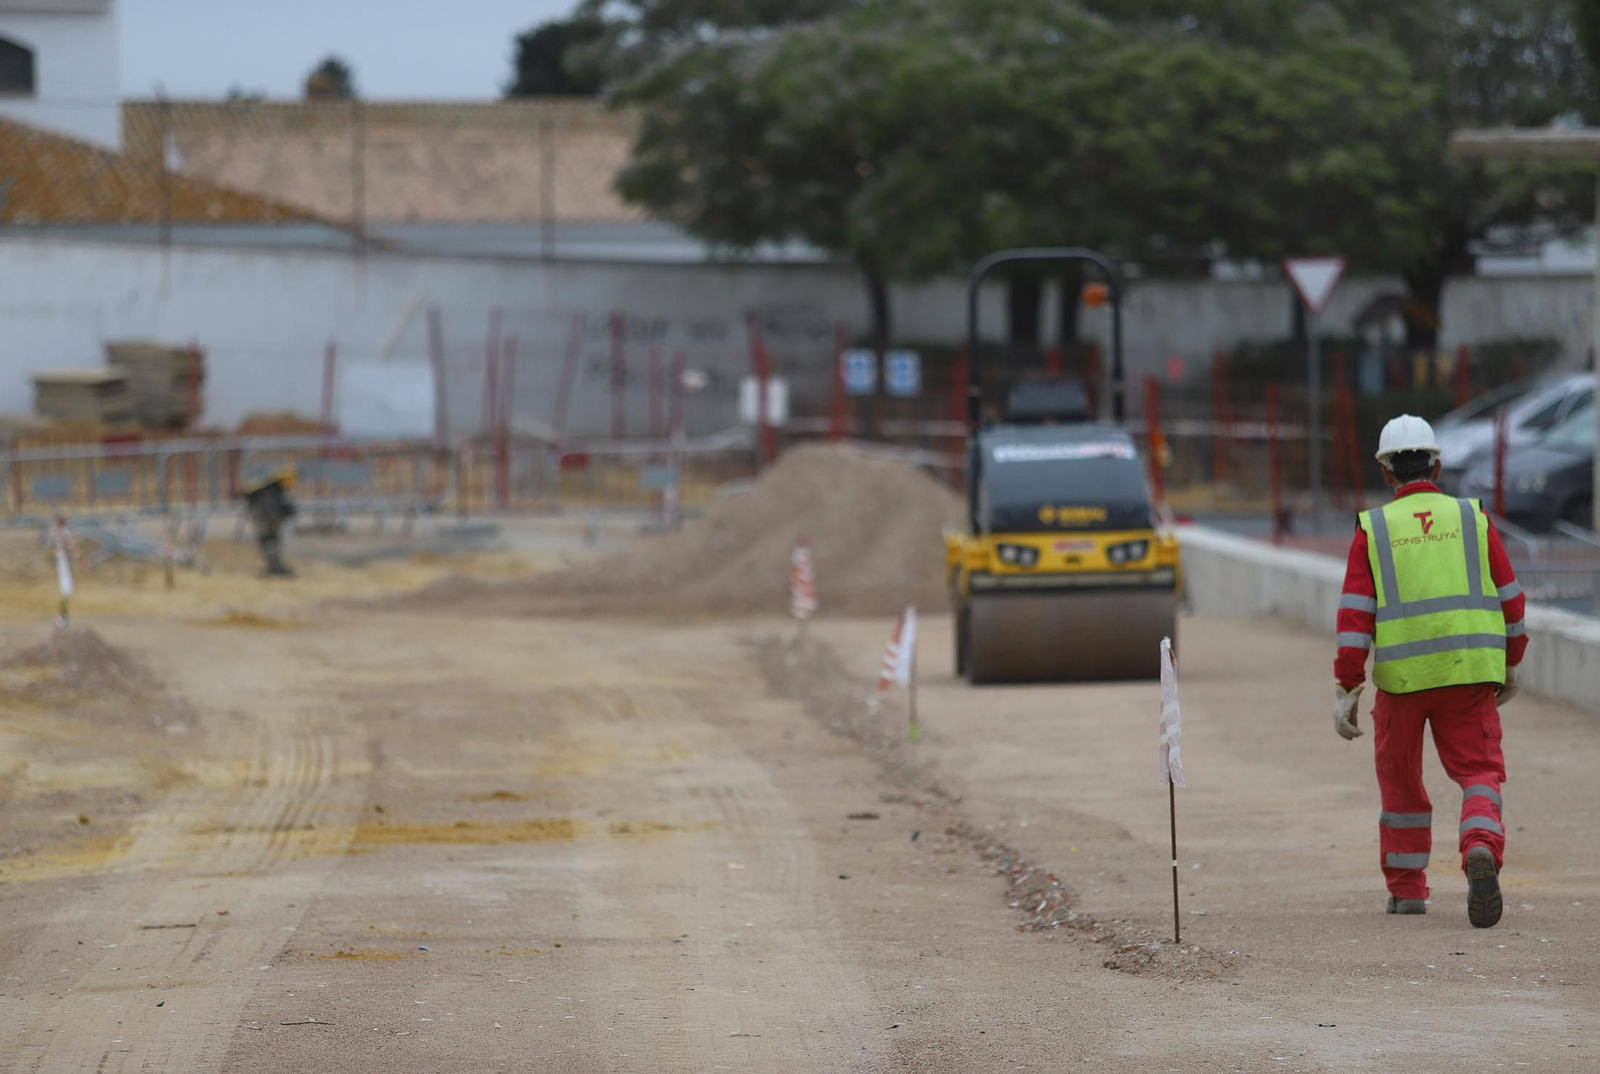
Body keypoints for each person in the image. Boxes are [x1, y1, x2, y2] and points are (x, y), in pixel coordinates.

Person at [1332, 415, 1526, 928]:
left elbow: (1354, 618)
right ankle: (1479, 843)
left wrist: (1348, 685)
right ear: (1436, 466)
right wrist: (1511, 660)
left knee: (1400, 781)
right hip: (1468, 673)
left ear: (1386, 472)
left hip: (1401, 683)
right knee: (1479, 772)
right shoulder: (1472, 518)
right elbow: (1512, 599)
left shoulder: (1374, 528)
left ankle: (1407, 891)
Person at [242, 468, 298, 577]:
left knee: (270, 543)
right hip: (266, 523)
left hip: (265, 522)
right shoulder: (270, 493)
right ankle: (274, 567)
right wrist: (279, 517)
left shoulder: (272, 491)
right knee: (270, 543)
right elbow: (270, 512)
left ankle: (274, 566)